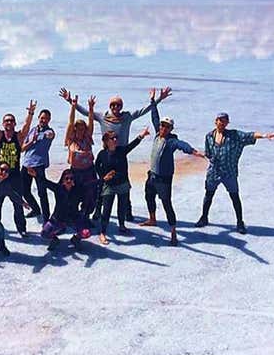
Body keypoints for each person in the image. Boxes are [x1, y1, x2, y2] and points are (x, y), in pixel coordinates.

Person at [60, 86, 172, 221]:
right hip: (106, 156)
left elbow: (144, 111)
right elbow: (87, 113)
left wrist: (158, 99)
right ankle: (97, 211)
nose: (115, 107)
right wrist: (71, 102)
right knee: (102, 183)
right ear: (110, 106)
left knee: (124, 183)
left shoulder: (127, 117)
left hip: (121, 155)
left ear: (121, 106)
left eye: (118, 105)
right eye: (113, 105)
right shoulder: (103, 117)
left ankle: (128, 212)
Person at [139, 90, 206, 246]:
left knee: (167, 204)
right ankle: (152, 219)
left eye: (167, 126)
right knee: (149, 197)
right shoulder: (157, 134)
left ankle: (173, 232)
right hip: (152, 176)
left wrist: (194, 152)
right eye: (162, 125)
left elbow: (182, 145)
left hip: (164, 180)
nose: (163, 127)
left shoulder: (171, 141)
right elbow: (154, 116)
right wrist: (152, 100)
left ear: (171, 129)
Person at [195, 112, 274, 234]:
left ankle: (240, 222)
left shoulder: (234, 135)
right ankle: (204, 218)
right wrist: (199, 154)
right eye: (220, 120)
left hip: (229, 172)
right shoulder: (209, 136)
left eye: (224, 121)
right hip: (214, 171)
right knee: (208, 195)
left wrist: (265, 136)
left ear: (227, 123)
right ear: (215, 121)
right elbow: (208, 153)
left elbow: (250, 135)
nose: (222, 123)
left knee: (234, 197)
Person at [0, 99, 36, 237]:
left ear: (14, 123)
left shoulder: (18, 137)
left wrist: (30, 113)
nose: (9, 122)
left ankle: (21, 228)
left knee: (17, 205)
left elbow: (26, 127)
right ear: (3, 123)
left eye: (11, 120)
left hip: (14, 177)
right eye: (6, 120)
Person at [95, 127, 150, 244]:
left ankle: (122, 225)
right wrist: (103, 177)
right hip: (109, 186)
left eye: (116, 138)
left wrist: (142, 135)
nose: (115, 140)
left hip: (123, 184)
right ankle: (103, 232)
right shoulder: (102, 154)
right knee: (106, 210)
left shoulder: (121, 150)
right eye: (112, 138)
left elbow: (132, 145)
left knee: (122, 207)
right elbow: (97, 166)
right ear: (106, 141)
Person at [27, 167, 91, 251]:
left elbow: (91, 184)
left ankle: (75, 239)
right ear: (63, 180)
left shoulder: (77, 190)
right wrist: (36, 175)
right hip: (58, 218)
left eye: (71, 178)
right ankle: (54, 240)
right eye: (66, 178)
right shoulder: (58, 188)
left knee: (86, 233)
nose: (69, 180)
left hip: (73, 218)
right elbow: (45, 182)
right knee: (44, 233)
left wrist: (103, 179)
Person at [64, 95, 97, 228]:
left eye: (83, 128)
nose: (81, 130)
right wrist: (73, 106)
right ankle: (74, 217)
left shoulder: (88, 138)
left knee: (90, 197)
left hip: (89, 172)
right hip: (75, 172)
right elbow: (70, 123)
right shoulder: (70, 140)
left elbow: (91, 123)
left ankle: (86, 217)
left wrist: (90, 109)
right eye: (78, 128)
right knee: (74, 196)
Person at [21, 109, 55, 221]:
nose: (44, 120)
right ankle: (35, 209)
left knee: (42, 193)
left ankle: (46, 219)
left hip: (39, 165)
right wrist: (32, 141)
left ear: (49, 119)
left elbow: (50, 135)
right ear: (39, 118)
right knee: (24, 191)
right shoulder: (32, 131)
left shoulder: (49, 131)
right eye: (42, 118)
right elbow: (22, 148)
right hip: (26, 164)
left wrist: (44, 135)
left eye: (46, 118)